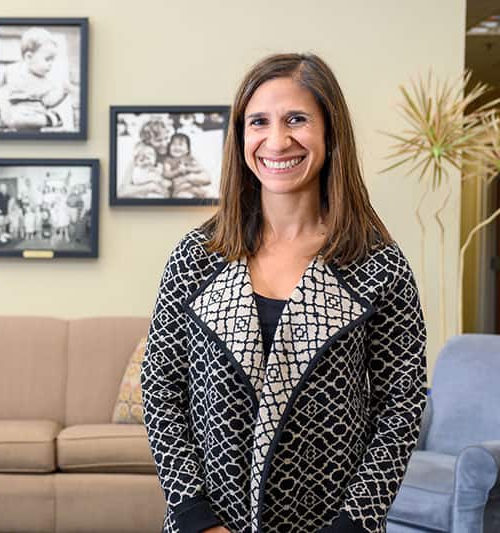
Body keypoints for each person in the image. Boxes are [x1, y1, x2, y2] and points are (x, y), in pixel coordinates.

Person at [140, 53, 427, 533]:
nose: (277, 139)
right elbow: (162, 388)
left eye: (296, 119)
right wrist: (194, 515)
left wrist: (355, 521)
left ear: (330, 133)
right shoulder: (197, 257)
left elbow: (402, 400)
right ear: (240, 137)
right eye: (259, 122)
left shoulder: (378, 265)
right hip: (212, 524)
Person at [0, 27, 77, 131]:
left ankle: (48, 120)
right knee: (15, 118)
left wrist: (63, 93)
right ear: (29, 57)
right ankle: (48, 120)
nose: (51, 64)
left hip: (36, 113)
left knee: (42, 118)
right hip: (17, 111)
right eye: (47, 59)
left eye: (52, 60)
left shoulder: (46, 82)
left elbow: (48, 102)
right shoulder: (11, 71)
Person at [162, 133, 212, 198]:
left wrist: (188, 168)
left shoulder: (190, 158)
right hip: (180, 188)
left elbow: (199, 168)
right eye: (173, 144)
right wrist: (178, 171)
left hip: (194, 186)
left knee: (209, 195)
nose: (176, 147)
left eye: (180, 144)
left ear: (187, 149)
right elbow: (166, 174)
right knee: (183, 195)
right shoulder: (169, 160)